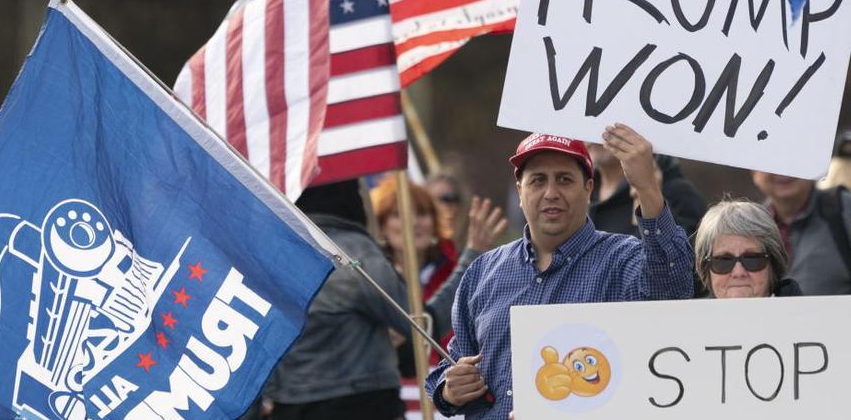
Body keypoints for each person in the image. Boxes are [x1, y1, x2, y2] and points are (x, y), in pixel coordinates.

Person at [425, 124, 694, 419]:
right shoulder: (482, 272)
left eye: (564, 180)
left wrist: (647, 190)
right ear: (520, 190)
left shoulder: (624, 259)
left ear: (588, 188)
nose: (550, 193)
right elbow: (452, 363)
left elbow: (674, 288)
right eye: (538, 180)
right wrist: (449, 390)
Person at [259, 179, 479, 420]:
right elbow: (422, 326)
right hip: (364, 405)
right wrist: (473, 256)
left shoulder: (271, 254)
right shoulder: (356, 252)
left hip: (289, 405)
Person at [371, 173, 507, 376]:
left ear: (435, 223)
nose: (413, 223)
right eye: (399, 214)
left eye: (422, 213)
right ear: (382, 225)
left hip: (453, 393)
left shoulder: (460, 270)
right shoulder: (369, 279)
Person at [751, 169, 851, 295]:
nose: (784, 171)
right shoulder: (748, 228)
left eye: (794, 157)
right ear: (753, 172)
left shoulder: (844, 210)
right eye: (772, 161)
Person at [694, 200, 802, 298]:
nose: (738, 273)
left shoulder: (808, 316)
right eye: (723, 261)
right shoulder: (690, 319)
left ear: (773, 266)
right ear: (706, 270)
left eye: (752, 259)